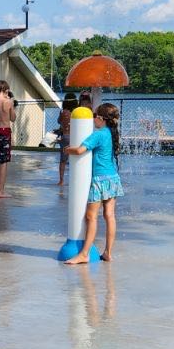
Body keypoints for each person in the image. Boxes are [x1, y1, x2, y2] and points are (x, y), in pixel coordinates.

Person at [64, 103, 122, 264]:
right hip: (113, 179)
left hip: (100, 180)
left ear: (101, 119)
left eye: (95, 116)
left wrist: (67, 150)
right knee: (109, 216)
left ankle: (84, 254)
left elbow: (80, 150)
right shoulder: (111, 132)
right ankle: (108, 252)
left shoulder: (98, 134)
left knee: (91, 217)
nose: (93, 119)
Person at [56, 100, 74, 187]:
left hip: (65, 137)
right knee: (75, 160)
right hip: (75, 137)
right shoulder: (75, 113)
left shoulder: (63, 113)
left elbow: (59, 121)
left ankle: (61, 180)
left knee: (63, 161)